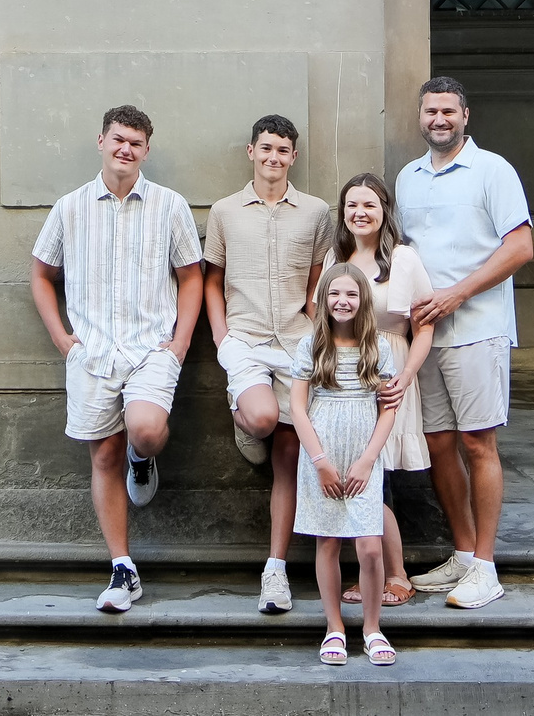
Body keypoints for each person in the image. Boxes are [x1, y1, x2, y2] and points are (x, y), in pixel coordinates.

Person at [30, 103, 205, 613]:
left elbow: (191, 276)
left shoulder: (170, 206)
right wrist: (64, 339)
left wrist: (180, 342)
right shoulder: (71, 207)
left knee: (145, 430)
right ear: (101, 142)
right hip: (93, 352)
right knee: (103, 456)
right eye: (117, 139)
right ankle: (122, 569)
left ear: (146, 150)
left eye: (135, 142)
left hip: (152, 347)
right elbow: (41, 273)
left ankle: (143, 456)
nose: (125, 149)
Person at [394, 76, 533, 611]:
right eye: (431, 111)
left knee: (478, 444)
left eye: (449, 111)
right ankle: (462, 551)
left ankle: (487, 567)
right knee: (438, 446)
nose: (439, 120)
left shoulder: (492, 171)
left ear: (466, 116)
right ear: (421, 116)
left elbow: (520, 246)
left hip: (477, 329)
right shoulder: (407, 178)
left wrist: (456, 295)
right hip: (424, 337)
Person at [201, 113, 335, 616]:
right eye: (265, 148)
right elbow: (211, 279)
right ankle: (246, 418)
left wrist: (317, 330)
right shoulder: (225, 211)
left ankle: (274, 571)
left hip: (297, 343)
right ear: (250, 152)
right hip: (245, 339)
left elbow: (318, 280)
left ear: (293, 156)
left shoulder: (317, 212)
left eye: (282, 149)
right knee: (260, 419)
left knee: (289, 458)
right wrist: (221, 336)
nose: (273, 157)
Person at [284, 261, 402, 667]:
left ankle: (372, 628)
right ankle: (334, 625)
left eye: (351, 294)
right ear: (323, 299)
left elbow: (388, 410)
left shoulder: (378, 348)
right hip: (323, 455)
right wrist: (319, 461)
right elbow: (298, 407)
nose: (342, 301)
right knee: (328, 540)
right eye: (335, 293)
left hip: (363, 457)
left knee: (370, 547)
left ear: (362, 301)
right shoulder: (311, 346)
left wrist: (369, 460)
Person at [330, 171, 434, 609]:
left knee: (379, 476)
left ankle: (397, 574)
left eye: (369, 204)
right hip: (344, 378)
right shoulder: (335, 257)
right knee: (358, 473)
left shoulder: (405, 260)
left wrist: (405, 378)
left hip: (391, 374)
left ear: (384, 210)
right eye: (352, 204)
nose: (360, 212)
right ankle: (369, 573)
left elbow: (423, 326)